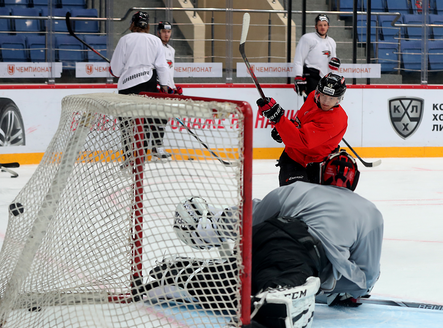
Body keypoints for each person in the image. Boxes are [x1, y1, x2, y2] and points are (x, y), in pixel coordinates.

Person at [149, 152, 382, 328]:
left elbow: (253, 214)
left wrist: (211, 225)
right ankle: (279, 295)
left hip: (261, 240)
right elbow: (366, 277)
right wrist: (337, 286)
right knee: (271, 300)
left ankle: (172, 272)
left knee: (234, 283)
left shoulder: (299, 189)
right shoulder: (370, 212)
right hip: (297, 253)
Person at [257, 73, 348, 187]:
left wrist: (278, 119)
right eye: (323, 95)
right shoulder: (312, 98)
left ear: (339, 99)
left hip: (318, 166)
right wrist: (285, 129)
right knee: (293, 198)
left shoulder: (335, 120)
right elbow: (299, 122)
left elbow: (302, 141)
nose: (325, 101)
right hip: (293, 158)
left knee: (312, 202)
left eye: (331, 98)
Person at [109, 11, 172, 165]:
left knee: (126, 124)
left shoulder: (125, 40)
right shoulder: (155, 40)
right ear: (147, 25)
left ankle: (128, 158)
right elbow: (162, 67)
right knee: (144, 123)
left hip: (126, 86)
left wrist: (121, 69)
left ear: (133, 24)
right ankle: (140, 159)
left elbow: (116, 70)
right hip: (148, 85)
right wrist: (165, 86)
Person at [293, 14, 341, 98]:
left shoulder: (331, 41)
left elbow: (333, 62)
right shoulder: (307, 38)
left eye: (325, 25)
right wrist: (298, 76)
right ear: (316, 26)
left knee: (324, 107)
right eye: (320, 25)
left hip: (326, 80)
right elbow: (299, 59)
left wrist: (335, 65)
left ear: (328, 26)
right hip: (311, 77)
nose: (322, 27)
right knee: (311, 106)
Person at [156, 21, 183, 95]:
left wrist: (173, 87)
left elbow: (170, 72)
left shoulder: (171, 50)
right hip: (160, 88)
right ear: (159, 33)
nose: (167, 34)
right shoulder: (155, 47)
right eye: (164, 32)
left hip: (170, 89)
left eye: (168, 32)